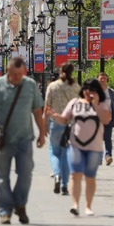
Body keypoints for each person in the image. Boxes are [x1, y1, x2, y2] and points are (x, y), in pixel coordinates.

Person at [0, 57, 46, 225]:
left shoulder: (29, 85)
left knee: (26, 173)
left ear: (24, 72)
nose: (16, 77)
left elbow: (37, 111)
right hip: (3, 139)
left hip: (25, 138)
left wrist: (42, 133)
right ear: (7, 71)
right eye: (13, 74)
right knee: (2, 177)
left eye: (20, 74)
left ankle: (20, 203)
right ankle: (5, 210)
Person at [46, 79, 111, 216]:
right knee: (75, 175)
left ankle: (88, 206)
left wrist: (95, 104)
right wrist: (54, 115)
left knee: (90, 177)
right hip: (75, 146)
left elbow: (106, 120)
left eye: (92, 89)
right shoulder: (75, 103)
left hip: (95, 147)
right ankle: (75, 205)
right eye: (86, 88)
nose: (89, 92)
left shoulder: (103, 104)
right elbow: (65, 120)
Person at [44, 63, 80, 195]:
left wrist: (43, 125)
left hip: (55, 123)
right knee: (66, 154)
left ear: (60, 71)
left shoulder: (52, 86)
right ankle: (65, 185)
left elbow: (46, 107)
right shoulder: (76, 87)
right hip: (71, 125)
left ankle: (57, 174)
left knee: (54, 151)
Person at [97, 72, 114, 166]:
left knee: (107, 138)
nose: (102, 80)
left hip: (109, 119)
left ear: (107, 80)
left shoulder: (111, 92)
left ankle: (108, 156)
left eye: (104, 78)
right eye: (101, 78)